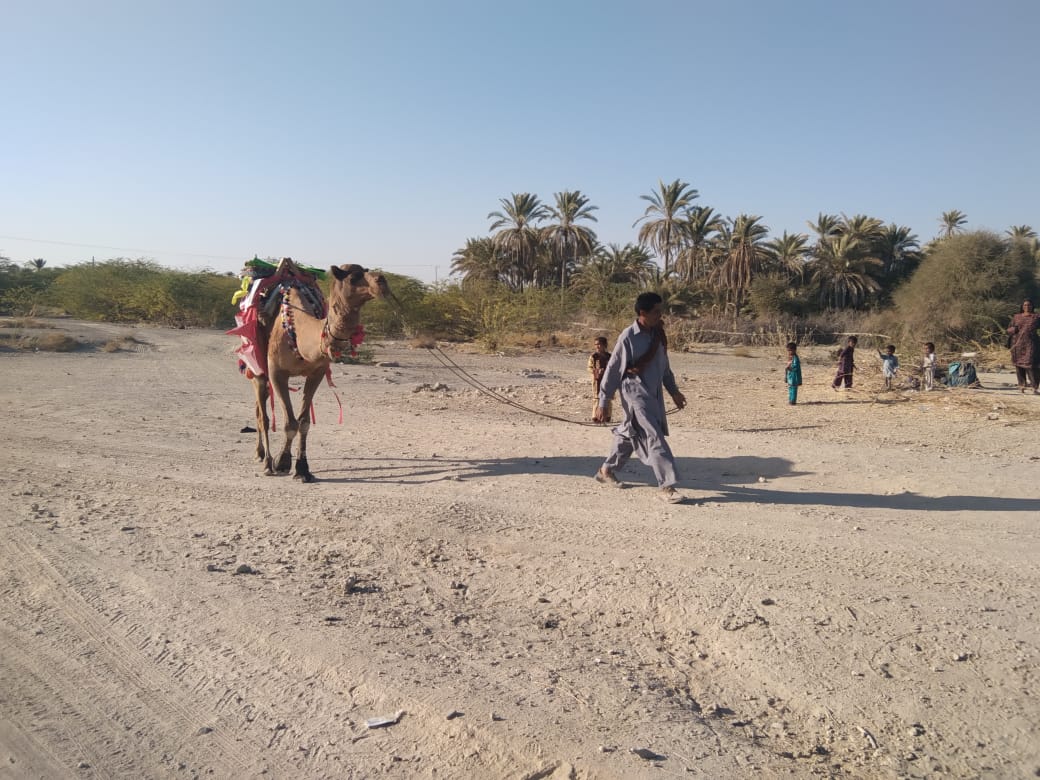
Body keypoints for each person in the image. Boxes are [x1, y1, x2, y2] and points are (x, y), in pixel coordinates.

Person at [593, 292, 687, 503]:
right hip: (634, 393)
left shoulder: (658, 335)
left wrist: (674, 391)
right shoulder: (628, 337)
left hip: (653, 393)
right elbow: (613, 370)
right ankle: (667, 486)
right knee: (653, 435)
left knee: (628, 433)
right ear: (642, 313)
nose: (659, 315)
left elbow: (664, 367)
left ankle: (606, 470)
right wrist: (603, 401)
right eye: (655, 312)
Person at [1006, 300, 1040, 394]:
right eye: (1025, 305)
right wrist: (1014, 329)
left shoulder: (1037, 317)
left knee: (1031, 365)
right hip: (1017, 344)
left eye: (1029, 305)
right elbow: (1008, 330)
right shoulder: (1016, 317)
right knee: (1019, 365)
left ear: (1032, 306)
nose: (1027, 306)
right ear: (1022, 306)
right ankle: (1022, 386)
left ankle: (1034, 387)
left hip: (1032, 344)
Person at [587, 336, 613, 422]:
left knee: (608, 397)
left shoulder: (610, 356)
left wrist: (606, 371)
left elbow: (613, 367)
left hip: (608, 380)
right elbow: (589, 368)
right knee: (596, 398)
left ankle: (607, 415)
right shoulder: (593, 357)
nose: (597, 346)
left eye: (599, 344)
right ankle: (595, 416)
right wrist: (596, 371)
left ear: (604, 345)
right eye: (596, 344)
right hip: (597, 380)